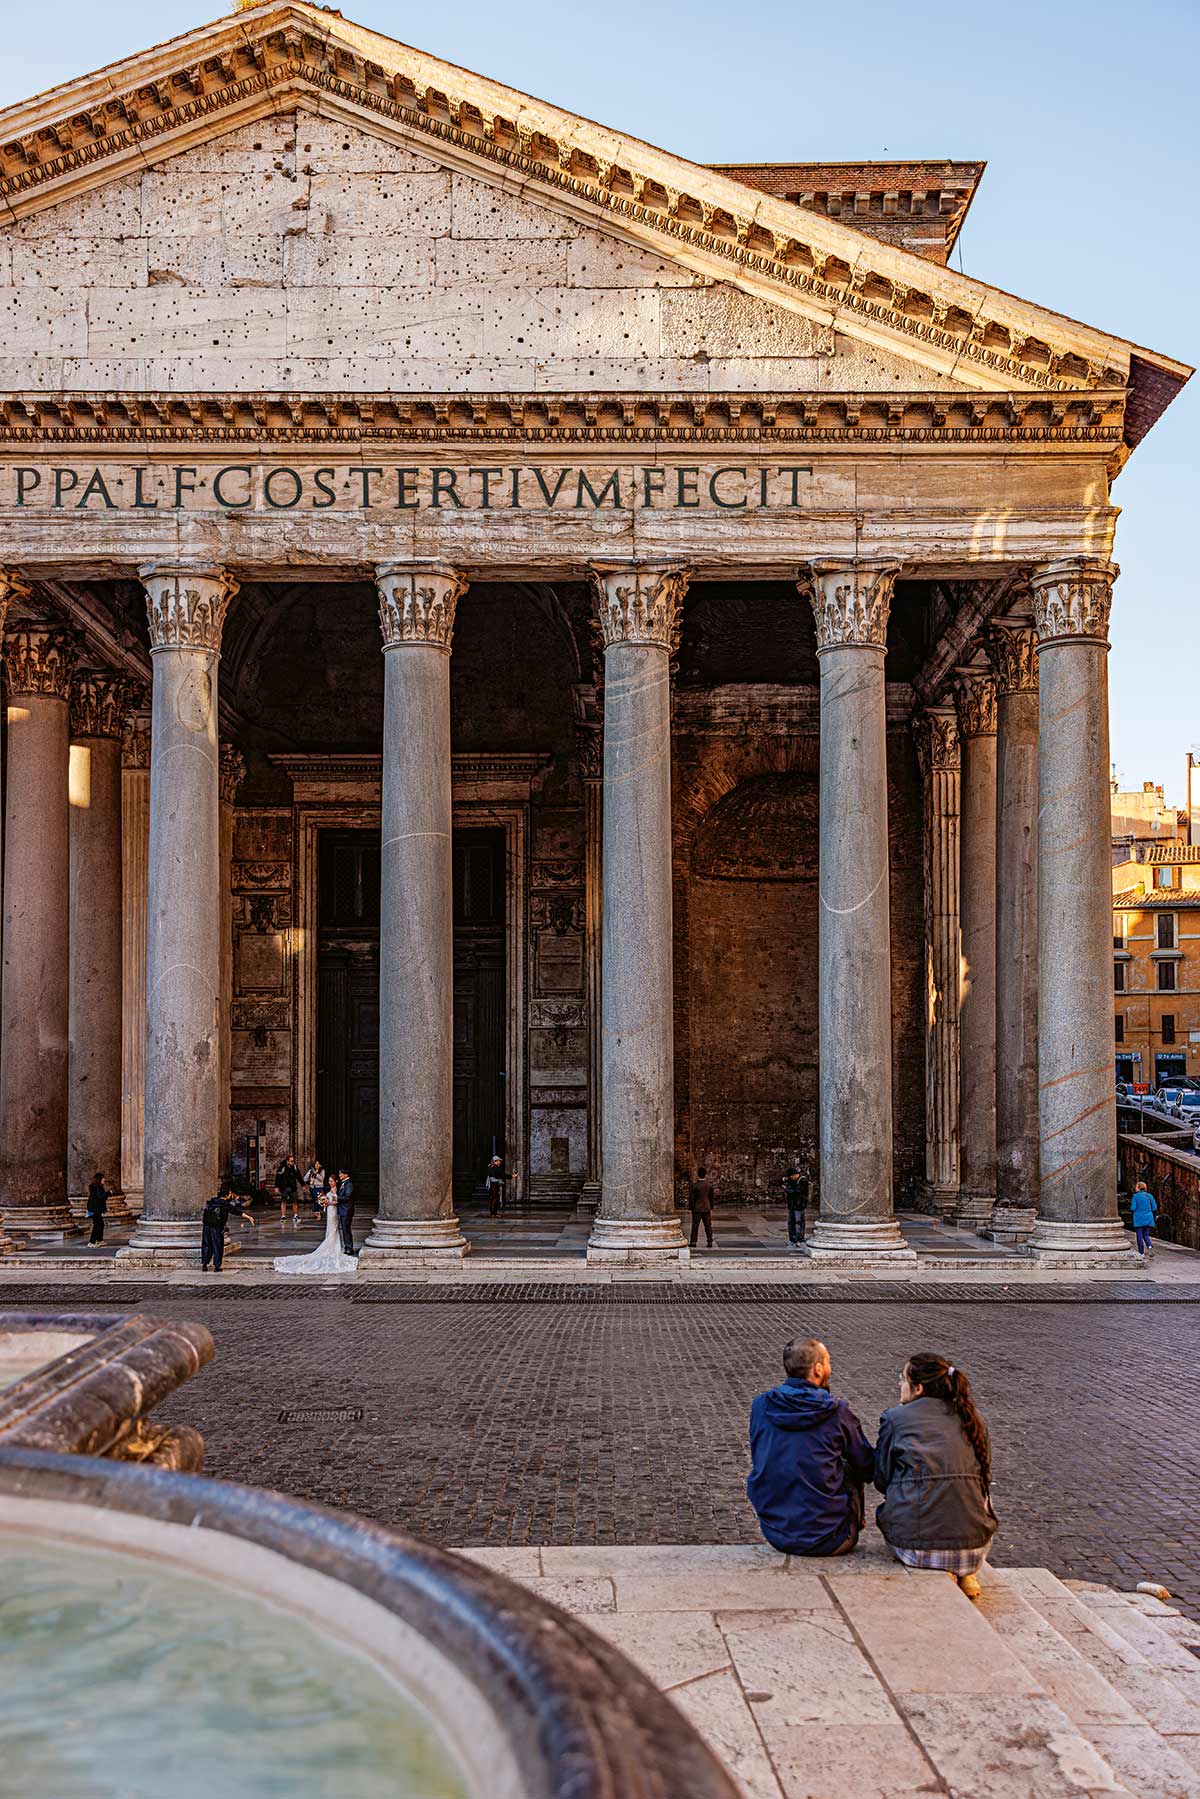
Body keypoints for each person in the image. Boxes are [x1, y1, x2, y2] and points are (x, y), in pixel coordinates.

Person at [874, 1352, 998, 1600]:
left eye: (903, 1379)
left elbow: (881, 1478)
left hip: (914, 1548)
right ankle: (964, 1573)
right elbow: (984, 1477)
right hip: (973, 1550)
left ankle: (946, 1569)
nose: (900, 1385)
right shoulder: (973, 1419)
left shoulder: (895, 1419)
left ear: (918, 1388)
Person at [747, 1337, 874, 1558]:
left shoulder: (760, 1406)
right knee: (849, 1467)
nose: (829, 1368)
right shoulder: (836, 1411)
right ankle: (844, 1523)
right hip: (829, 1538)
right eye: (827, 1363)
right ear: (817, 1369)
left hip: (776, 1533)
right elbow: (867, 1464)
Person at [274, 1173, 358, 1275]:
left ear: (335, 1181)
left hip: (334, 1211)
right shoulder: (336, 1188)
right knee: (331, 1228)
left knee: (335, 1228)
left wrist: (328, 1202)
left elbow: (337, 1200)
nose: (330, 1183)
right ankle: (335, 1244)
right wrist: (324, 1202)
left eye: (331, 1181)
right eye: (329, 1181)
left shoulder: (338, 1189)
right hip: (330, 1211)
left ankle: (337, 1245)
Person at [201, 1184, 247, 1273]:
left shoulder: (212, 1201)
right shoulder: (225, 1204)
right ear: (227, 1194)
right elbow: (235, 1211)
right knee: (217, 1246)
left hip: (207, 1226)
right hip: (217, 1227)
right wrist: (248, 1217)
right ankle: (217, 1266)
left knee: (207, 1245)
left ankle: (204, 1265)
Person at [783, 1164, 810, 1248]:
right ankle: (792, 1239)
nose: (790, 1178)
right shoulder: (792, 1180)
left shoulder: (803, 1180)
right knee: (791, 1223)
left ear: (794, 1175)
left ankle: (800, 1239)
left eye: (791, 1177)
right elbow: (788, 1185)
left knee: (799, 1223)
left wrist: (787, 1189)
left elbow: (797, 1191)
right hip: (792, 1205)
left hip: (799, 1206)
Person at [688, 1166, 715, 1248]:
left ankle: (693, 1242)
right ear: (705, 1175)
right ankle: (709, 1241)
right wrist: (711, 1207)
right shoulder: (709, 1185)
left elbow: (692, 1198)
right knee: (708, 1226)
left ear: (698, 1174)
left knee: (695, 1226)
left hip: (697, 1208)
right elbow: (711, 1198)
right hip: (706, 1207)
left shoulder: (694, 1186)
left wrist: (691, 1207)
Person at [1131, 1179, 1158, 1256]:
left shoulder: (1135, 1196)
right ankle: (1149, 1246)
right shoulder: (1150, 1196)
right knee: (1146, 1235)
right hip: (1148, 1219)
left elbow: (1133, 1208)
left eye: (1136, 1186)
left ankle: (1141, 1253)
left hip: (1139, 1219)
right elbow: (1154, 1207)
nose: (1135, 1188)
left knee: (1139, 1236)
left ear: (1139, 1187)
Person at [276, 1153, 302, 1226]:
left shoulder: (295, 1168)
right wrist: (276, 1186)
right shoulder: (282, 1168)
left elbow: (299, 1176)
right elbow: (277, 1177)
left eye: (293, 1161)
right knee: (284, 1201)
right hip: (284, 1187)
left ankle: (295, 1215)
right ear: (287, 1161)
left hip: (292, 1187)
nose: (292, 1162)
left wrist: (303, 1185)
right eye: (291, 1161)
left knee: (295, 1201)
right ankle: (283, 1216)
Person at [336, 1167, 356, 1255]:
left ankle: (349, 1247)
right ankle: (347, 1246)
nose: (339, 1175)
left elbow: (347, 1197)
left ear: (346, 1174)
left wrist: (337, 1198)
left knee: (346, 1229)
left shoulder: (348, 1184)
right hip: (343, 1210)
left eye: (341, 1173)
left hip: (346, 1210)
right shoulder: (343, 1183)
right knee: (345, 1229)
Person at [86, 1171, 109, 1246]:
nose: (104, 1180)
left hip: (94, 1208)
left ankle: (99, 1240)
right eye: (103, 1178)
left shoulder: (95, 1187)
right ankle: (92, 1242)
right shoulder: (98, 1187)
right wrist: (108, 1193)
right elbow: (101, 1197)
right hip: (95, 1209)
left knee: (100, 1224)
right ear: (99, 1179)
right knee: (97, 1225)